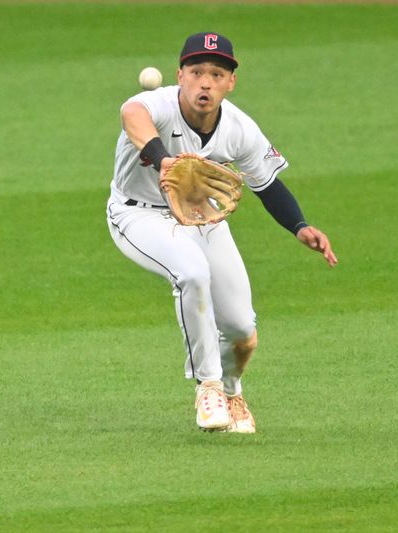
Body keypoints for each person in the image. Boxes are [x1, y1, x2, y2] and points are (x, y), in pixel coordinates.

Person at [106, 32, 337, 433]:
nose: (205, 82)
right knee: (192, 274)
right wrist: (162, 160)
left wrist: (299, 226)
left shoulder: (239, 128)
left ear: (231, 82)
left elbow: (268, 185)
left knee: (242, 331)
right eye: (196, 72)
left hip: (201, 216)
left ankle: (231, 390)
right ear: (179, 75)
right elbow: (132, 115)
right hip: (139, 216)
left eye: (216, 73)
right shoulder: (156, 104)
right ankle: (207, 386)